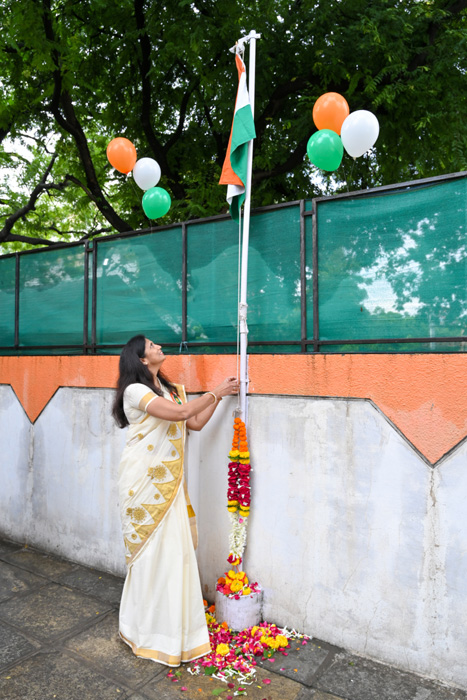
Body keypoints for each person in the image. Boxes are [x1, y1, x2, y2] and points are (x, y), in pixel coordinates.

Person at [112, 334, 238, 667]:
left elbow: (194, 422)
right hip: (143, 483)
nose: (159, 347)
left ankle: (174, 632)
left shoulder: (169, 389)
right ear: (141, 359)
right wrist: (216, 391)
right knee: (152, 555)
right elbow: (180, 413)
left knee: (174, 554)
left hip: (170, 484)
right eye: (152, 346)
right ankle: (146, 631)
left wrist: (220, 399)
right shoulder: (135, 391)